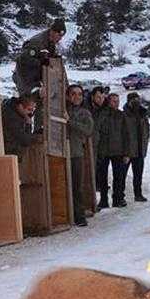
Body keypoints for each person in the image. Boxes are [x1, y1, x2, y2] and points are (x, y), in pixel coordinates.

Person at [13, 19, 66, 97]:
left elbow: (46, 56)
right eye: (59, 35)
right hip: (25, 79)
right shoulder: (37, 42)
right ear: (52, 31)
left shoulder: (50, 43)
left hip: (36, 79)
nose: (60, 38)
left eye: (62, 36)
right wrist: (41, 62)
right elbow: (22, 59)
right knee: (30, 104)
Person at [66, 85, 94, 227]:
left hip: (76, 153)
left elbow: (88, 130)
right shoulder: (62, 110)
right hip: (60, 153)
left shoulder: (84, 113)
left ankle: (79, 216)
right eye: (73, 94)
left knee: (77, 186)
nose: (76, 97)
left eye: (79, 94)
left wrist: (70, 122)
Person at [96, 93, 129, 208]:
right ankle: (103, 200)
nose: (116, 103)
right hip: (103, 150)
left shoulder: (121, 115)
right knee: (102, 178)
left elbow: (126, 134)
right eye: (114, 101)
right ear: (109, 101)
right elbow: (97, 131)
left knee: (119, 177)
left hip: (118, 151)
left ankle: (118, 199)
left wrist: (126, 152)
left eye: (118, 101)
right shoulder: (102, 114)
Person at [123, 92, 150, 202]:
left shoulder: (143, 114)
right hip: (127, 151)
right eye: (133, 100)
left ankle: (138, 194)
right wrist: (124, 151)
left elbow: (147, 130)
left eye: (137, 100)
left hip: (140, 149)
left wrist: (145, 143)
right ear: (129, 102)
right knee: (121, 175)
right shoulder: (124, 115)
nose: (136, 102)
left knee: (138, 175)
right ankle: (120, 196)